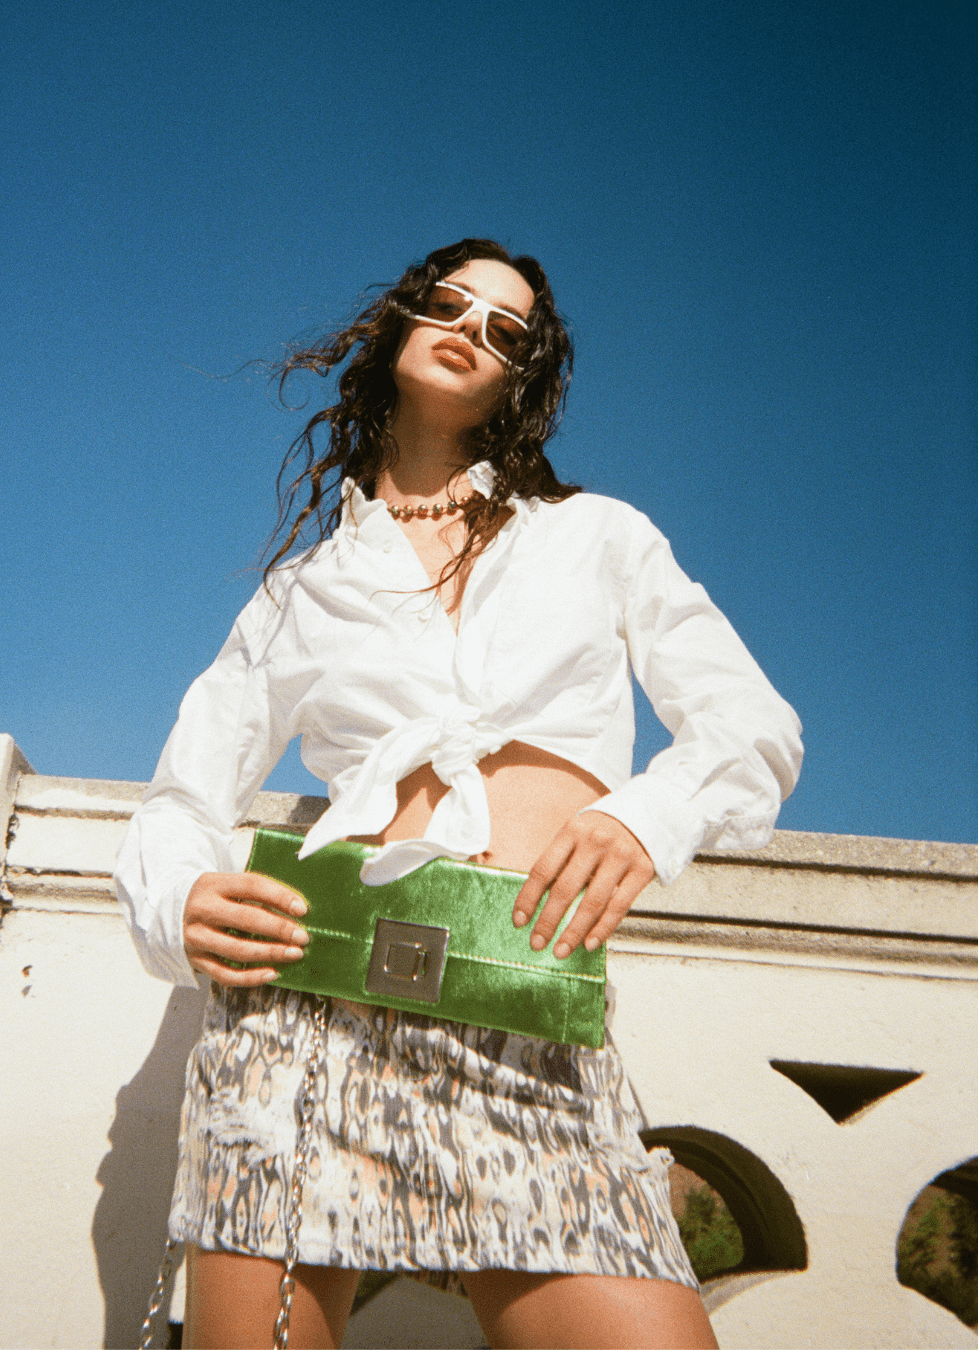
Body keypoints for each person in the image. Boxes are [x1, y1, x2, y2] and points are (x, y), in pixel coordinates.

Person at [114, 238, 802, 1349]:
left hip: (524, 1002)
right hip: (307, 1012)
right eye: (450, 303)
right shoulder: (300, 592)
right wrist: (182, 894)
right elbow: (178, 797)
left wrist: (647, 815)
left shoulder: (598, 537)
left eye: (507, 328)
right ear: (397, 325)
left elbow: (753, 729)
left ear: (521, 373)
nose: (473, 329)